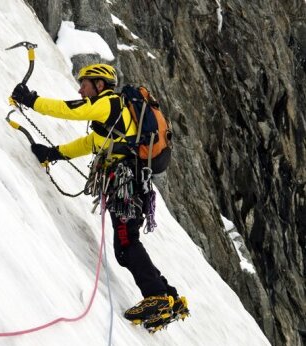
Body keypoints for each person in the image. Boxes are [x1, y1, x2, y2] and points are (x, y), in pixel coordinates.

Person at [10, 63, 188, 330]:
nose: (80, 89)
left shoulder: (108, 104)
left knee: (126, 244)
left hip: (125, 184)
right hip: (132, 184)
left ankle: (157, 297)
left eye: (85, 84)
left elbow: (70, 110)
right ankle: (170, 298)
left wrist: (30, 100)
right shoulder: (113, 119)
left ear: (100, 85)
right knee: (127, 244)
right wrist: (53, 153)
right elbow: (91, 143)